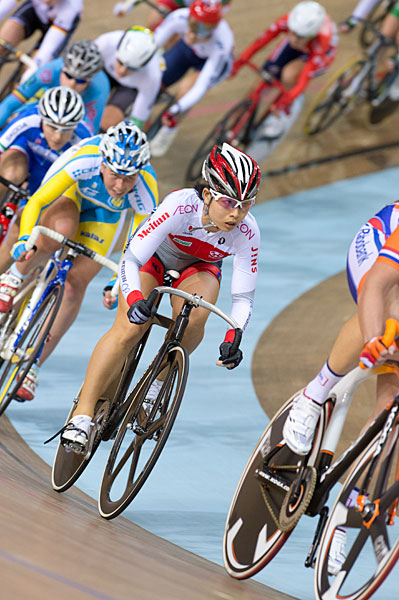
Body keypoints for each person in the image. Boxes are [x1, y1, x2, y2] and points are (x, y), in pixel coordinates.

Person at [60, 142, 261, 452]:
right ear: (207, 194)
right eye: (228, 202)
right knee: (129, 328)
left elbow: (243, 297)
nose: (237, 214)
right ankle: (82, 415)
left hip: (199, 268)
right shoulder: (179, 206)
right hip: (152, 261)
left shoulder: (248, 231)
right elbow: (131, 260)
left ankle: (156, 383)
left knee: (196, 316)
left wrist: (235, 335)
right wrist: (136, 296)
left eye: (245, 204)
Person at [0, 121, 158, 402]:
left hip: (103, 220)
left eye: (129, 178)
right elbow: (37, 202)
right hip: (70, 197)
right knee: (57, 232)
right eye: (114, 176)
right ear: (103, 164)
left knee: (73, 286)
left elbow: (138, 242)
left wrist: (117, 281)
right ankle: (13, 278)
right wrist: (26, 238)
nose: (120, 186)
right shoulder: (85, 158)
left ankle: (33, 363)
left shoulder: (145, 186)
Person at [282, 199, 399, 574]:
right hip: (380, 249)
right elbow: (376, 286)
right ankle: (317, 391)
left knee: (391, 416)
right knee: (387, 316)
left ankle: (347, 510)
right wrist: (373, 341)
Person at [231, 1, 338, 164]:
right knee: (260, 82)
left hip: (319, 57)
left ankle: (279, 115)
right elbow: (260, 41)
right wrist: (241, 61)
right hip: (302, 45)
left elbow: (304, 80)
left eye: (299, 36)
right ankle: (235, 124)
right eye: (292, 33)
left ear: (310, 35)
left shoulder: (322, 41)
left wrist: (284, 101)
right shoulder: (289, 22)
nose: (293, 38)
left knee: (289, 76)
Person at [0, 85, 90, 274]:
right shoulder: (28, 119)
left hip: (51, 179)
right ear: (42, 119)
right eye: (52, 127)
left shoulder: (83, 140)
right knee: (10, 173)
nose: (58, 136)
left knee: (19, 230)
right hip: (26, 156)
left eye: (66, 130)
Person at [148, 0, 234, 158]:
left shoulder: (222, 43)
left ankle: (170, 128)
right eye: (192, 26)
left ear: (213, 29)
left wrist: (176, 110)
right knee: (157, 77)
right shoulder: (180, 17)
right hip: (187, 50)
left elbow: (200, 87)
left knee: (185, 92)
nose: (193, 34)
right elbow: (151, 45)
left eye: (202, 30)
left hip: (210, 63)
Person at [0, 39, 109, 134]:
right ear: (62, 68)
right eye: (68, 75)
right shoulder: (50, 71)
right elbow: (9, 104)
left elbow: (89, 130)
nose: (72, 84)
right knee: (20, 115)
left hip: (74, 119)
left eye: (80, 80)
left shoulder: (100, 88)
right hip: (48, 103)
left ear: (90, 80)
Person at [94, 26, 164, 131]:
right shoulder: (106, 42)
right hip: (105, 72)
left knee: (108, 122)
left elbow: (138, 117)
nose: (122, 71)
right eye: (120, 62)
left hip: (130, 87)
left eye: (131, 68)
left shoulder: (153, 75)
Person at [0, 0, 82, 71]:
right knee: (2, 43)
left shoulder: (71, 7)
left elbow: (49, 46)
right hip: (35, 10)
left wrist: (34, 67)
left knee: (33, 68)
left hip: (59, 26)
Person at [112, 0, 231, 31]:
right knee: (155, 17)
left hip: (200, 11)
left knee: (179, 32)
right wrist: (127, 6)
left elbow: (213, 18)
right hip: (177, 1)